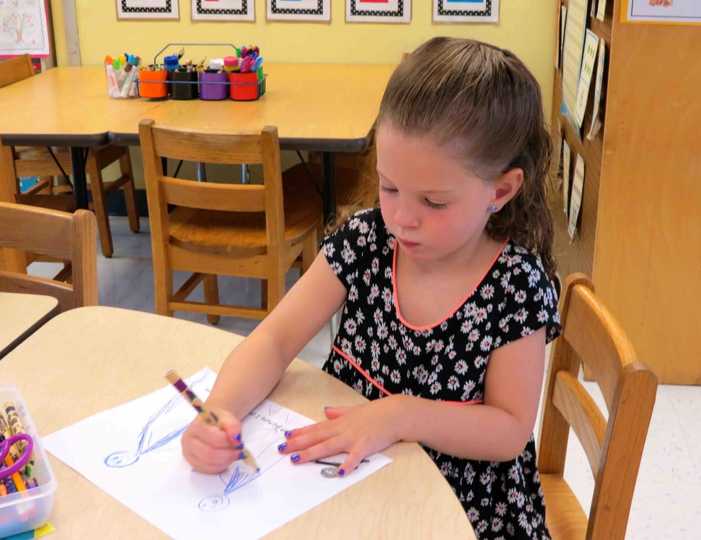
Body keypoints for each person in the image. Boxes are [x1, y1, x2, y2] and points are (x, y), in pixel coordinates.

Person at [181, 37, 562, 539]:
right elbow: (274, 340)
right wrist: (221, 409)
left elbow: (509, 430)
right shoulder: (366, 240)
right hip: (349, 485)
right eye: (389, 187)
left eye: (434, 201)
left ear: (500, 190)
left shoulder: (516, 285)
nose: (403, 217)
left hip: (462, 510)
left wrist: (399, 415)